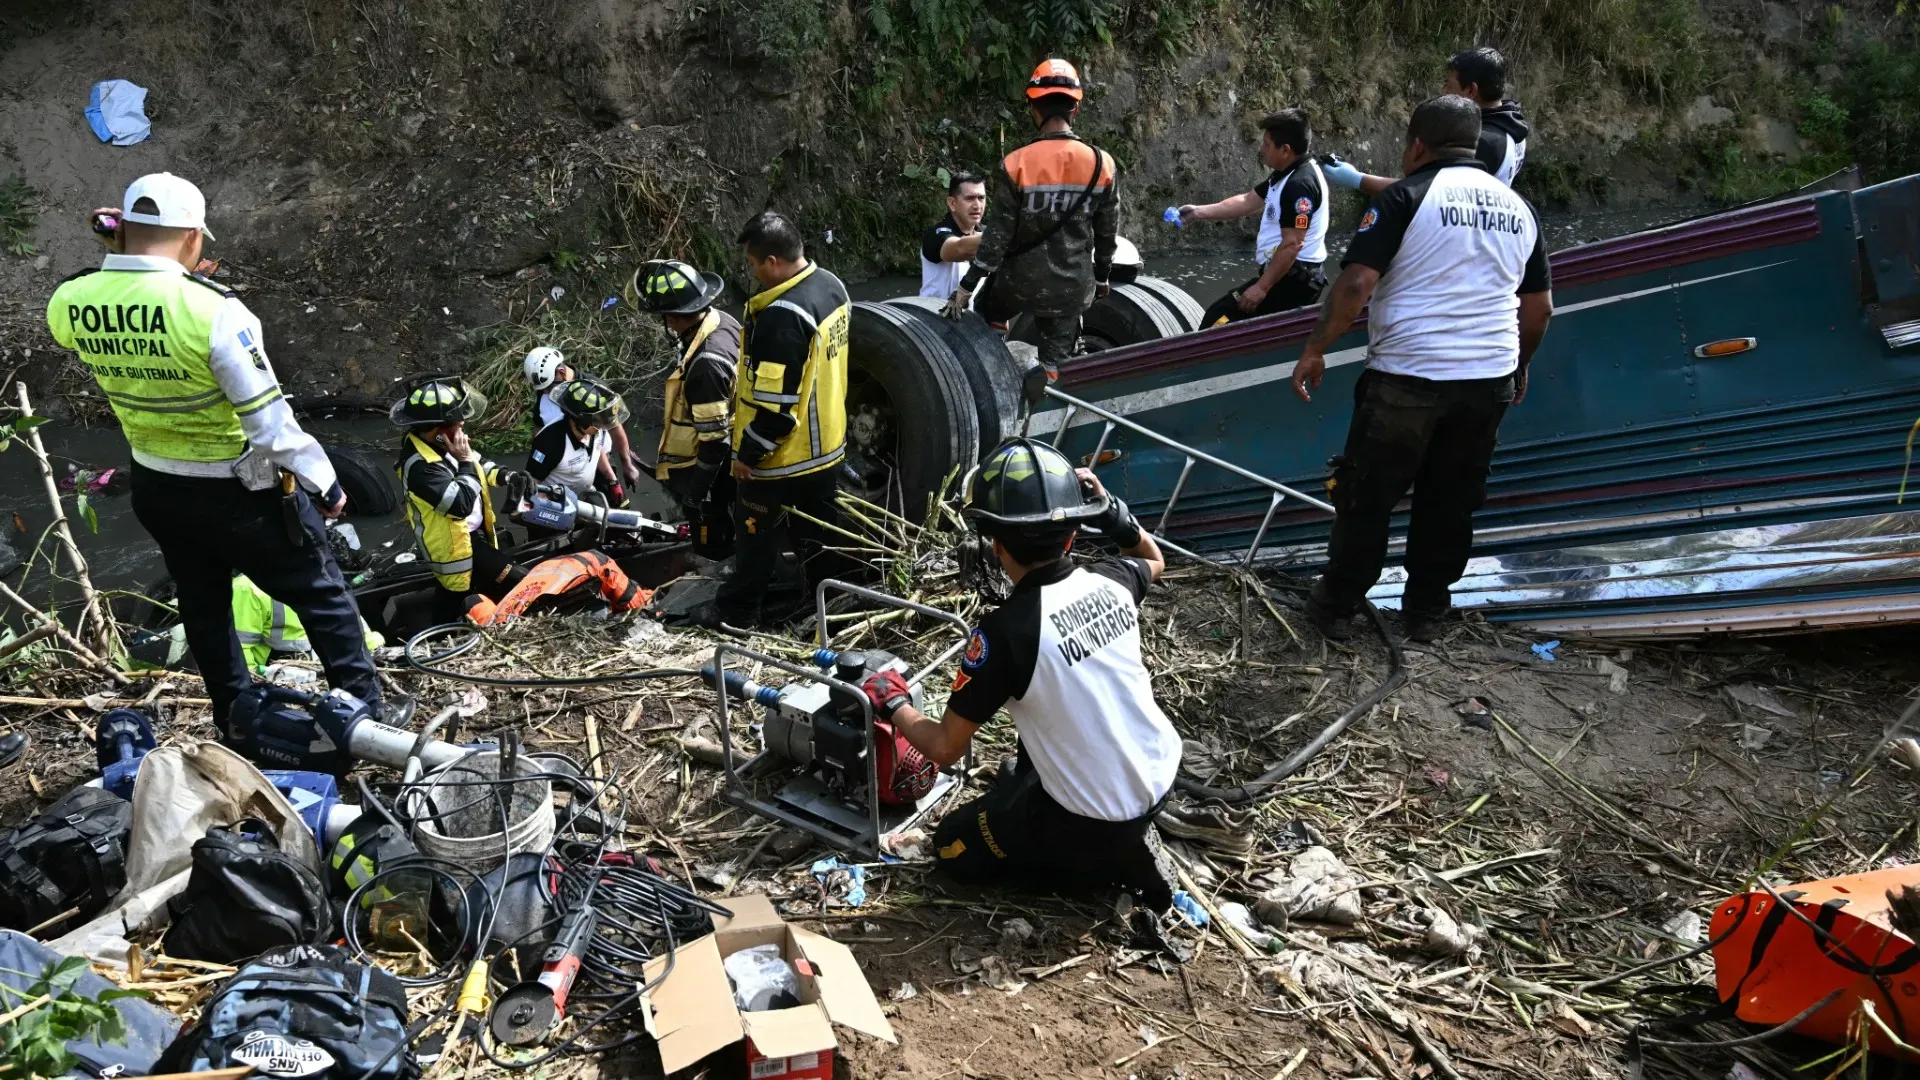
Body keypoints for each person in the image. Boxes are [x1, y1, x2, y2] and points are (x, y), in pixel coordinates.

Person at [46, 172, 385, 730]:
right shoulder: (215, 310)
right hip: (240, 490)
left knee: (202, 602)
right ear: (191, 238)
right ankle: (367, 713)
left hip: (156, 487)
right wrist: (325, 481)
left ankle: (233, 715)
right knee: (320, 592)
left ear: (124, 231)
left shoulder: (73, 300)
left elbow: (90, 307)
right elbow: (269, 425)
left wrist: (120, 256)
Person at [856, 438, 1182, 914]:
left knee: (952, 847)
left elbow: (946, 748)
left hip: (1093, 820)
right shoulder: (1112, 580)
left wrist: (892, 702)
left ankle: (1095, 869)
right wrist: (1112, 512)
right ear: (1072, 535)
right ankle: (1107, 838)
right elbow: (1155, 559)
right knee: (1016, 771)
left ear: (996, 543)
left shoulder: (1005, 635)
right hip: (1160, 774)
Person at [1291, 96, 1554, 643]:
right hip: (1488, 383)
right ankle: (1427, 612)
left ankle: (1335, 607)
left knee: (1367, 496)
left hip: (1408, 378)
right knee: (1450, 499)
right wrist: (1519, 365)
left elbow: (1357, 284)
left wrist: (1316, 348)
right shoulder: (1518, 209)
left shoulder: (1405, 198)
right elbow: (1538, 309)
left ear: (1415, 146)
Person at [716, 211, 850, 628]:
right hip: (828, 444)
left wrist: (748, 456)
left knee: (754, 537)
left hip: (783, 459)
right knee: (820, 536)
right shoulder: (831, 285)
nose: (751, 272)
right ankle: (835, 603)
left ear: (772, 261)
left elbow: (777, 410)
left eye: (752, 264)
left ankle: (740, 617)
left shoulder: (782, 317)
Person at [948, 59, 1119, 384]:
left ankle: (995, 371)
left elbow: (997, 238)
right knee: (1059, 358)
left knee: (990, 307)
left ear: (1033, 109)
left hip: (1019, 285)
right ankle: (1053, 391)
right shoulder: (1102, 164)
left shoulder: (1015, 164)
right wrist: (1102, 278)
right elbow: (1107, 233)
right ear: (1076, 109)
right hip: (1071, 288)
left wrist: (967, 287)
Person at [392, 376, 527, 623]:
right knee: (511, 581)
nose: (462, 424)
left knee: (457, 598)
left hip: (471, 537)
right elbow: (460, 504)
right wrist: (464, 462)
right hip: (454, 549)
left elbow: (479, 463)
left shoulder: (443, 445)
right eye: (456, 421)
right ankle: (442, 639)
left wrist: (507, 476)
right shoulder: (421, 467)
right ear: (439, 430)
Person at [1176, 109, 1329, 326]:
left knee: (1217, 320)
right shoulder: (1286, 173)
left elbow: (1293, 243)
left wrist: (1261, 287)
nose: (1261, 149)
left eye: (1267, 144)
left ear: (1285, 150)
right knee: (1221, 321)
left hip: (1293, 282)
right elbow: (1247, 201)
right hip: (1284, 276)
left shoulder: (1299, 185)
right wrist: (1197, 212)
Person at [634, 259, 739, 560]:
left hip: (716, 467)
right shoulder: (721, 320)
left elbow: (715, 442)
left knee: (708, 533)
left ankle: (718, 565)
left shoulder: (706, 365)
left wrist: (696, 495)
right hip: (735, 448)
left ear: (675, 317)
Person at [1325, 47, 1530, 195]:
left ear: (1470, 90)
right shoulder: (1512, 125)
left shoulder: (1483, 142)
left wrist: (1356, 179)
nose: (1443, 91)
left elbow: (1424, 192)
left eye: (1448, 85)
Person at [523, 346, 641, 492]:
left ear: (561, 372)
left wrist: (627, 464)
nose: (546, 393)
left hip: (597, 459)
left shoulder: (594, 389)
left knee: (611, 504)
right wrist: (543, 449)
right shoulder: (546, 391)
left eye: (548, 388)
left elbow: (615, 426)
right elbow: (538, 426)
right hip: (561, 467)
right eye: (542, 389)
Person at [231, 572, 383, 673]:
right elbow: (239, 649)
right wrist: (257, 679)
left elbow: (347, 618)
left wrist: (375, 649)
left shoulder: (319, 573)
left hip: (325, 667)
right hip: (281, 673)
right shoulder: (246, 589)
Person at [526, 377, 628, 506]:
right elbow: (531, 485)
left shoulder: (593, 429)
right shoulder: (550, 443)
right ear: (580, 420)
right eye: (597, 422)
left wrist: (613, 480)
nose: (601, 427)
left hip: (583, 496)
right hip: (555, 506)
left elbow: (597, 450)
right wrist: (547, 509)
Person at [920, 172, 986, 300]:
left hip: (974, 318)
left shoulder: (984, 234)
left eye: (981, 198)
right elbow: (959, 248)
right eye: (970, 198)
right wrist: (1003, 235)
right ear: (952, 203)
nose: (977, 205)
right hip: (934, 316)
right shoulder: (936, 235)